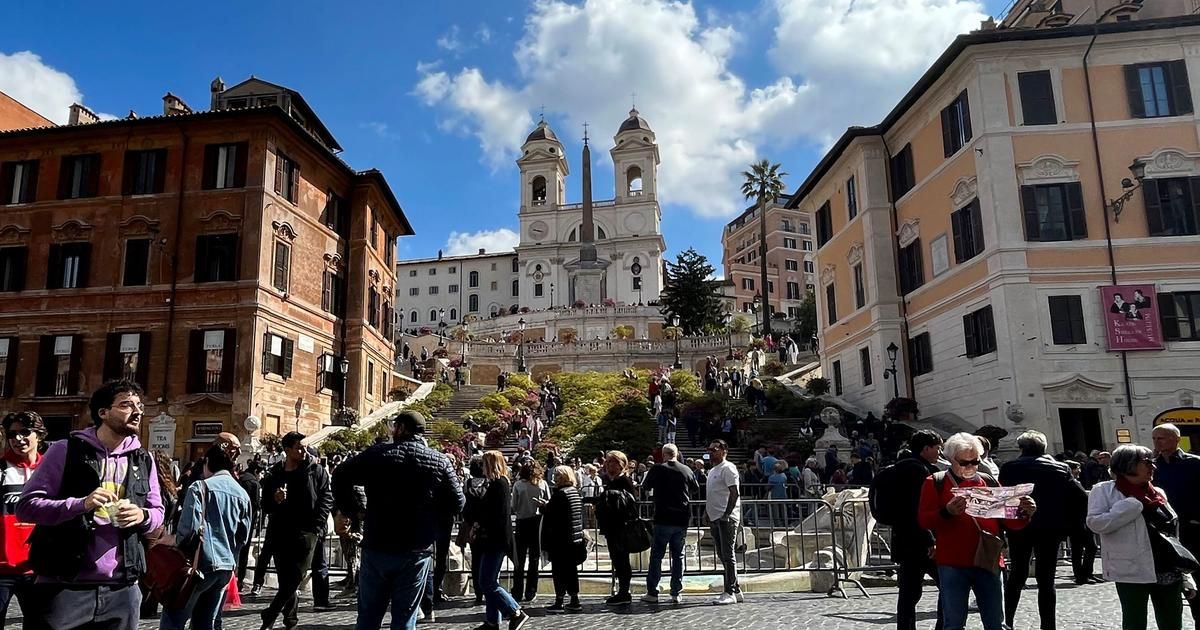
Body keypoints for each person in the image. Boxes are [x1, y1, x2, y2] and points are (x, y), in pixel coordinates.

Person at [18, 379, 165, 630]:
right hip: (63, 586)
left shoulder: (143, 459)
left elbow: (158, 513)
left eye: (140, 405)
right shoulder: (65, 450)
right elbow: (27, 506)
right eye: (127, 404)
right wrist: (80, 504)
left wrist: (141, 516)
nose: (138, 411)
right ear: (103, 413)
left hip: (123, 589)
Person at [332, 410, 465, 630]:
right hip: (415, 549)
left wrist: (352, 510)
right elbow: (458, 503)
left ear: (401, 428)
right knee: (405, 620)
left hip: (378, 544)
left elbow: (340, 475)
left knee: (368, 618)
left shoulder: (378, 454)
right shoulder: (439, 461)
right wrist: (431, 513)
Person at [918, 432, 1036, 630]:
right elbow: (923, 520)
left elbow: (1008, 522)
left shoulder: (987, 480)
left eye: (976, 461)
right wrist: (946, 512)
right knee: (954, 623)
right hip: (953, 561)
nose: (971, 467)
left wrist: (1025, 512)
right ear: (951, 460)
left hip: (988, 559)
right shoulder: (935, 482)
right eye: (965, 463)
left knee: (995, 623)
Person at [1089, 444, 1198, 630]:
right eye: (1146, 462)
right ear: (1127, 465)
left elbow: (1172, 535)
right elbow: (1096, 523)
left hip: (1167, 570)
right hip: (1131, 570)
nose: (1153, 467)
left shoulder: (1158, 493)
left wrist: (1185, 574)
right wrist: (1132, 505)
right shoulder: (1104, 490)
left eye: (1152, 462)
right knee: (1134, 621)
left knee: (1172, 622)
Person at [159, 439, 252, 630]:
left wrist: (169, 540)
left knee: (173, 619)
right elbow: (243, 536)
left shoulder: (200, 487)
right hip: (225, 567)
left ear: (208, 462)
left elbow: (188, 530)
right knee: (205, 623)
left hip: (200, 565)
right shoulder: (242, 493)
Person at [1000, 430, 1088, 630]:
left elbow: (1001, 497)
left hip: (1019, 526)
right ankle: (1048, 626)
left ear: (1021, 448)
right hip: (1051, 527)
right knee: (1047, 579)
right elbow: (1081, 496)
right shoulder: (1060, 468)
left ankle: (1007, 622)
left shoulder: (1010, 467)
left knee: (1017, 575)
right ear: (1044, 447)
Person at [869, 430, 944, 630]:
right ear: (926, 448)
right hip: (922, 539)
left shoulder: (897, 469)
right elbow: (915, 508)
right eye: (937, 448)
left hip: (902, 537)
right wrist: (930, 539)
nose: (939, 452)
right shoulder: (919, 471)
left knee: (909, 594)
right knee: (948, 586)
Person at [259, 432, 334, 630]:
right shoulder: (275, 473)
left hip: (307, 532)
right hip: (280, 531)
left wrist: (317, 526)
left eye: (304, 447)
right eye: (299, 448)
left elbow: (326, 498)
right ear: (287, 450)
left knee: (297, 576)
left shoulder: (316, 471)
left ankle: (271, 613)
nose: (303, 451)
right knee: (286, 579)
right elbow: (264, 505)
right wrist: (275, 500)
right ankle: (290, 620)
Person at [473, 451, 531, 630]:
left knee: (487, 581)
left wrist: (478, 524)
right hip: (494, 538)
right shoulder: (499, 483)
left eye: (484, 464)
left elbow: (495, 514)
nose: (482, 467)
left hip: (494, 539)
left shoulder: (498, 485)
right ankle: (492, 620)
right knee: (490, 580)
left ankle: (515, 611)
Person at [1151, 423, 1200, 625]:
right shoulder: (1152, 466)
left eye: (1161, 438)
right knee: (1169, 584)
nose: (1157, 442)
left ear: (1176, 439)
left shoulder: (1195, 463)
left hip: (1193, 530)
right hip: (1165, 534)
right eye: (1154, 438)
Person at [0, 411, 44, 625]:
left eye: (25, 432)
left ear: (39, 435)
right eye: (12, 434)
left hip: (38, 568)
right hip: (1, 568)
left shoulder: (51, 471)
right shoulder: (1, 469)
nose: (18, 439)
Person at [641, 443, 698, 604]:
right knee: (679, 556)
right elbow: (695, 488)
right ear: (677, 454)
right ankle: (676, 592)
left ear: (663, 454)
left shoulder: (658, 469)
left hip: (663, 516)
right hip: (682, 518)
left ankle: (652, 592)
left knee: (657, 555)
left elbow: (646, 487)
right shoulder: (687, 470)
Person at [594, 450, 638, 606]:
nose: (609, 465)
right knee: (617, 560)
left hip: (621, 527)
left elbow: (631, 504)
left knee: (622, 560)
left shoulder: (624, 481)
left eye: (613, 462)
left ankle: (624, 592)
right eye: (608, 462)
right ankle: (622, 591)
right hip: (611, 527)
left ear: (621, 465)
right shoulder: (610, 481)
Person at [541, 465, 585, 614]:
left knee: (559, 571)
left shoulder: (560, 495)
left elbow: (553, 516)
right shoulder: (575, 492)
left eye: (557, 476)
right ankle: (574, 599)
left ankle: (559, 600)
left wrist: (544, 507)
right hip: (575, 538)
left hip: (561, 539)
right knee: (572, 571)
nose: (554, 478)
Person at [706, 439, 742, 605]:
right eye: (710, 449)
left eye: (715, 449)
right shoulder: (713, 470)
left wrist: (727, 514)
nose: (712, 452)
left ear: (724, 450)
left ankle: (730, 591)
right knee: (722, 554)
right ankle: (736, 588)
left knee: (728, 554)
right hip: (715, 517)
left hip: (725, 518)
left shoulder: (728, 468)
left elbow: (734, 492)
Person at [510, 461, 550, 603]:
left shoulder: (518, 485)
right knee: (534, 559)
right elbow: (548, 501)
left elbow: (513, 506)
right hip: (537, 522)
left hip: (522, 522)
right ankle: (531, 591)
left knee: (519, 559)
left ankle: (517, 591)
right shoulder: (542, 484)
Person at [235, 462, 261, 590]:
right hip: (248, 520)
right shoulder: (254, 484)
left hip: (234, 518)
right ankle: (240, 580)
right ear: (256, 471)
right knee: (244, 550)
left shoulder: (238, 479)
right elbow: (256, 504)